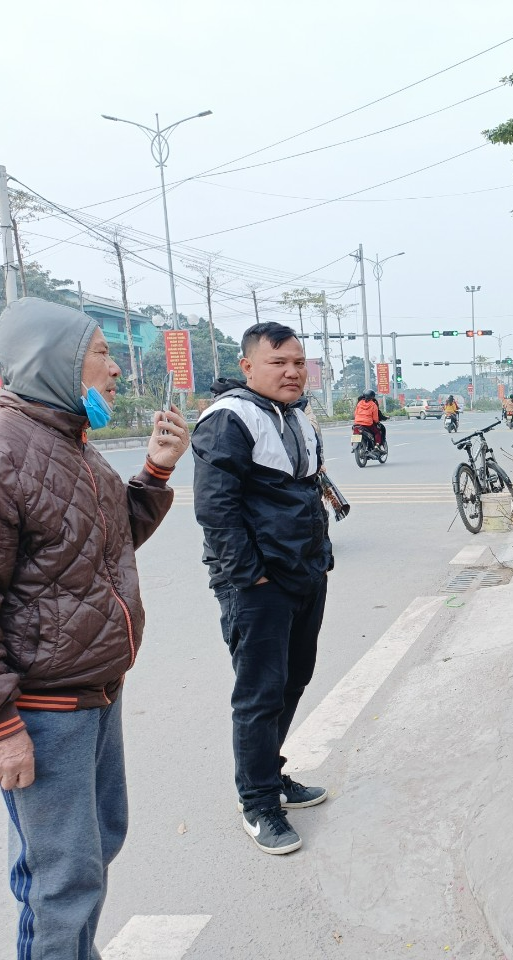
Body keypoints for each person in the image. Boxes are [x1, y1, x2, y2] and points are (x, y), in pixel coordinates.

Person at [0, 297, 189, 959]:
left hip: (94, 695)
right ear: (56, 361)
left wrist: (155, 470)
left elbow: (105, 543)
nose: (114, 372)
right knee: (60, 880)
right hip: (41, 711)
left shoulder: (70, 444)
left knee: (96, 847)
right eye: (101, 354)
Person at [191, 321, 332, 856]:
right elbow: (216, 509)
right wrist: (251, 575)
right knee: (259, 692)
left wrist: (320, 559)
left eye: (298, 362)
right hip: (257, 585)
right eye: (279, 362)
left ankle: (271, 775)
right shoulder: (229, 418)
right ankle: (257, 803)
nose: (292, 371)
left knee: (295, 677)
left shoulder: (296, 415)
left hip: (304, 573)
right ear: (248, 366)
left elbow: (306, 492)